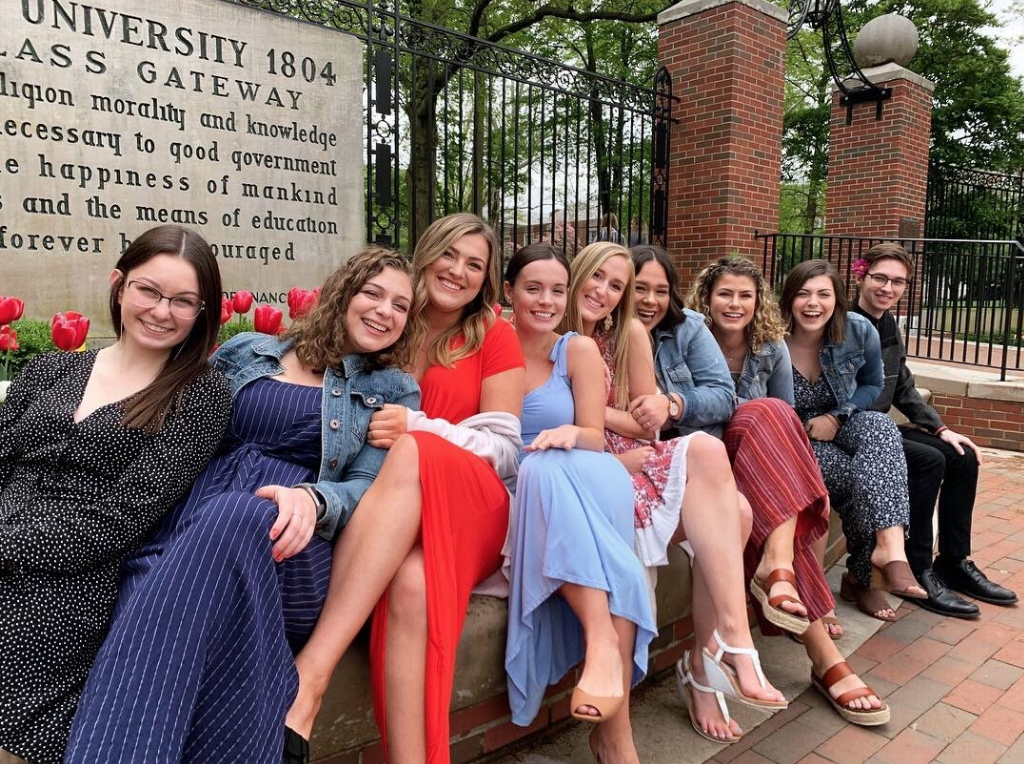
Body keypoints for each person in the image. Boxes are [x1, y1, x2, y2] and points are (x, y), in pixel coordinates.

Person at [65, 247, 421, 764]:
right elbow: (176, 414)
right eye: (373, 293)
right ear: (344, 293)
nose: (385, 311)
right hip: (188, 533)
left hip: (291, 550)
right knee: (168, 581)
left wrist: (314, 498)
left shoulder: (391, 389)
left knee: (239, 513)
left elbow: (367, 486)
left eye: (401, 306)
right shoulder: (248, 350)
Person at [277, 213, 526, 764]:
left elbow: (508, 452)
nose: (458, 271)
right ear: (426, 254)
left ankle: (312, 673)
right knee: (412, 584)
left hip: (473, 503)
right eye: (448, 254)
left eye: (475, 265)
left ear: (486, 279)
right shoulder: (385, 319)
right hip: (388, 510)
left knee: (412, 449)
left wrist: (421, 428)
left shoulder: (494, 335)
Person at [0, 225, 232, 764]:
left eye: (183, 301)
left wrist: (7, 546)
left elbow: (121, 518)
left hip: (67, 579)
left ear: (202, 312)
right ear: (119, 285)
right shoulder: (51, 368)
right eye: (149, 290)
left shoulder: (200, 395)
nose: (162, 311)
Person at [566, 242, 786, 745]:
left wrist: (611, 413)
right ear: (577, 273)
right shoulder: (550, 327)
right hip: (586, 462)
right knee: (725, 509)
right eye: (599, 278)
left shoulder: (629, 335)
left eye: (617, 286)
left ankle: (721, 646)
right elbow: (544, 414)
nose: (605, 292)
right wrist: (601, 421)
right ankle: (713, 659)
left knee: (733, 501)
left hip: (634, 455)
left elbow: (649, 425)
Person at [683, 253, 887, 726]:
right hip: (707, 460)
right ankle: (823, 655)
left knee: (773, 415)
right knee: (766, 414)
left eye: (746, 296)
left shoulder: (770, 347)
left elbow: (788, 424)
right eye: (725, 294)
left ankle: (778, 570)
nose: (735, 304)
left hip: (758, 465)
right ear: (707, 298)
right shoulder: (686, 340)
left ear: (759, 302)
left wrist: (794, 468)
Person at [502, 243, 656, 762]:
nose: (546, 301)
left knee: (544, 466)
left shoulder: (577, 349)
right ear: (509, 292)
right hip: (523, 481)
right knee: (541, 473)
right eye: (533, 289)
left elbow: (593, 435)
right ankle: (616, 734)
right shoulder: (490, 341)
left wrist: (569, 432)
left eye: (556, 291)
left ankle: (602, 645)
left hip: (586, 470)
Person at [851, 243, 1017, 616]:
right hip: (857, 432)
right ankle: (916, 566)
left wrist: (941, 428)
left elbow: (904, 386)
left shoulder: (888, 324)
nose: (887, 288)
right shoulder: (844, 324)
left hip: (885, 427)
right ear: (861, 276)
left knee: (962, 455)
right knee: (928, 461)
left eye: (897, 282)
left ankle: (954, 562)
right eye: (880, 278)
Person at [780, 259, 926, 626]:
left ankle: (891, 550)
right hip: (794, 435)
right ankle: (860, 577)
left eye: (824, 294)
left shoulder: (858, 331)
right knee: (854, 477)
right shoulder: (771, 338)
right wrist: (808, 428)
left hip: (842, 418)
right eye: (803, 294)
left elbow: (872, 385)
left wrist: (836, 417)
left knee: (880, 425)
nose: (813, 304)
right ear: (789, 298)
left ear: (838, 299)